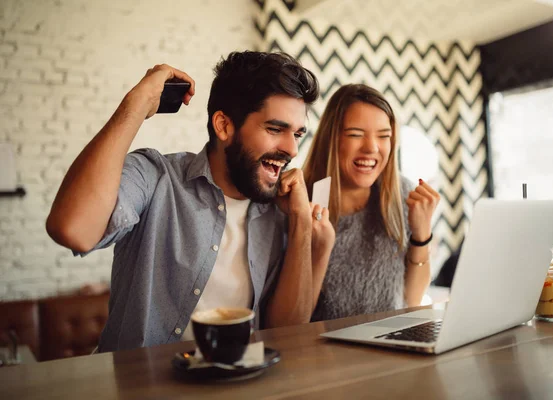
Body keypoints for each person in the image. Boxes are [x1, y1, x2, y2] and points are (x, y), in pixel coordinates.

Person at [46, 51, 330, 352]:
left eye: (298, 134)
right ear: (223, 126)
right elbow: (73, 230)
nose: (291, 149)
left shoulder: (281, 209)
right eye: (275, 129)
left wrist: (301, 221)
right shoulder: (155, 177)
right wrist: (136, 105)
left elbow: (288, 334)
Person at [303, 84, 440, 321]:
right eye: (356, 134)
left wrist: (421, 233)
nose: (372, 148)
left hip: (393, 345)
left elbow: (411, 301)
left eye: (384, 136)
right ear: (331, 138)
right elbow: (297, 318)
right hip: (327, 352)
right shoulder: (302, 201)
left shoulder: (403, 193)